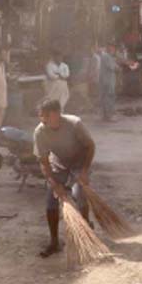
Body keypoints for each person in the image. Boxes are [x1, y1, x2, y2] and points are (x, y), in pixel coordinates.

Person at [33, 99, 96, 258]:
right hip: (59, 164)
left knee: (79, 193)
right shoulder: (40, 132)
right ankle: (54, 242)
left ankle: (86, 229)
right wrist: (54, 184)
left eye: (48, 117)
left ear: (58, 114)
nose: (44, 120)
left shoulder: (74, 124)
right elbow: (44, 161)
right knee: (51, 201)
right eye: (44, 117)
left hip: (79, 162)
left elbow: (90, 146)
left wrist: (84, 171)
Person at [99, 43, 120, 122]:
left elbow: (114, 66)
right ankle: (108, 116)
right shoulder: (106, 56)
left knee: (106, 98)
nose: (113, 50)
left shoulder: (109, 57)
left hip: (107, 81)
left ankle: (105, 116)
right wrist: (118, 68)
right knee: (109, 98)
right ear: (109, 48)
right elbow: (112, 67)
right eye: (112, 48)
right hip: (107, 81)